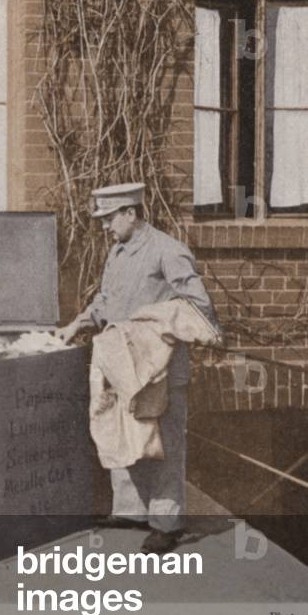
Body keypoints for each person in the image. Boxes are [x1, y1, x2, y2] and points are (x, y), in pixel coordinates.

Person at [56, 182, 220, 554]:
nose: (104, 227)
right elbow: (106, 299)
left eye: (110, 218)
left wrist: (147, 327)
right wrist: (78, 323)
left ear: (131, 213)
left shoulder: (167, 251)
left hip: (158, 370)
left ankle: (167, 524)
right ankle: (131, 511)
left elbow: (199, 306)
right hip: (122, 365)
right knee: (126, 434)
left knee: (164, 444)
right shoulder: (117, 252)